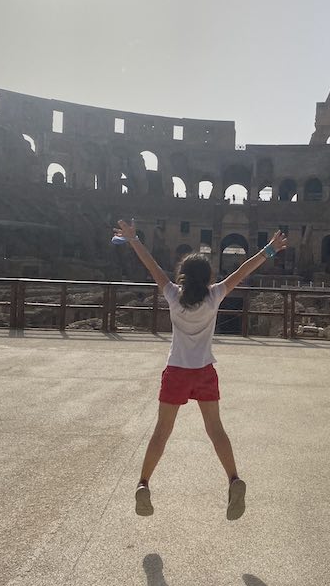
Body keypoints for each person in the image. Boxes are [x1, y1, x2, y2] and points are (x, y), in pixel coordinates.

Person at [116, 218, 288, 520]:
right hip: (204, 371)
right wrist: (270, 250)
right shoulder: (215, 296)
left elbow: (151, 265)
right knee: (215, 429)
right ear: (208, 276)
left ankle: (144, 484)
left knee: (162, 431)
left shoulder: (172, 295)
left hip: (177, 371)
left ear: (183, 276)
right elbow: (244, 269)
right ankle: (234, 479)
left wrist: (133, 239)